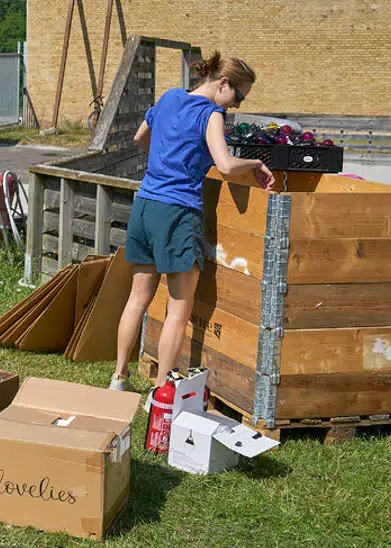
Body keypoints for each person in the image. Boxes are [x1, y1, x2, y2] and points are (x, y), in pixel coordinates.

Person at [110, 52, 276, 391]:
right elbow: (226, 166)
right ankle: (159, 393)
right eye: (239, 96)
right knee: (179, 308)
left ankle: (119, 378)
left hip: (145, 204)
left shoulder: (170, 96)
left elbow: (140, 137)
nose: (237, 105)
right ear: (223, 83)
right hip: (177, 212)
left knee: (137, 298)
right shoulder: (212, 114)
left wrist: (163, 161)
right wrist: (256, 162)